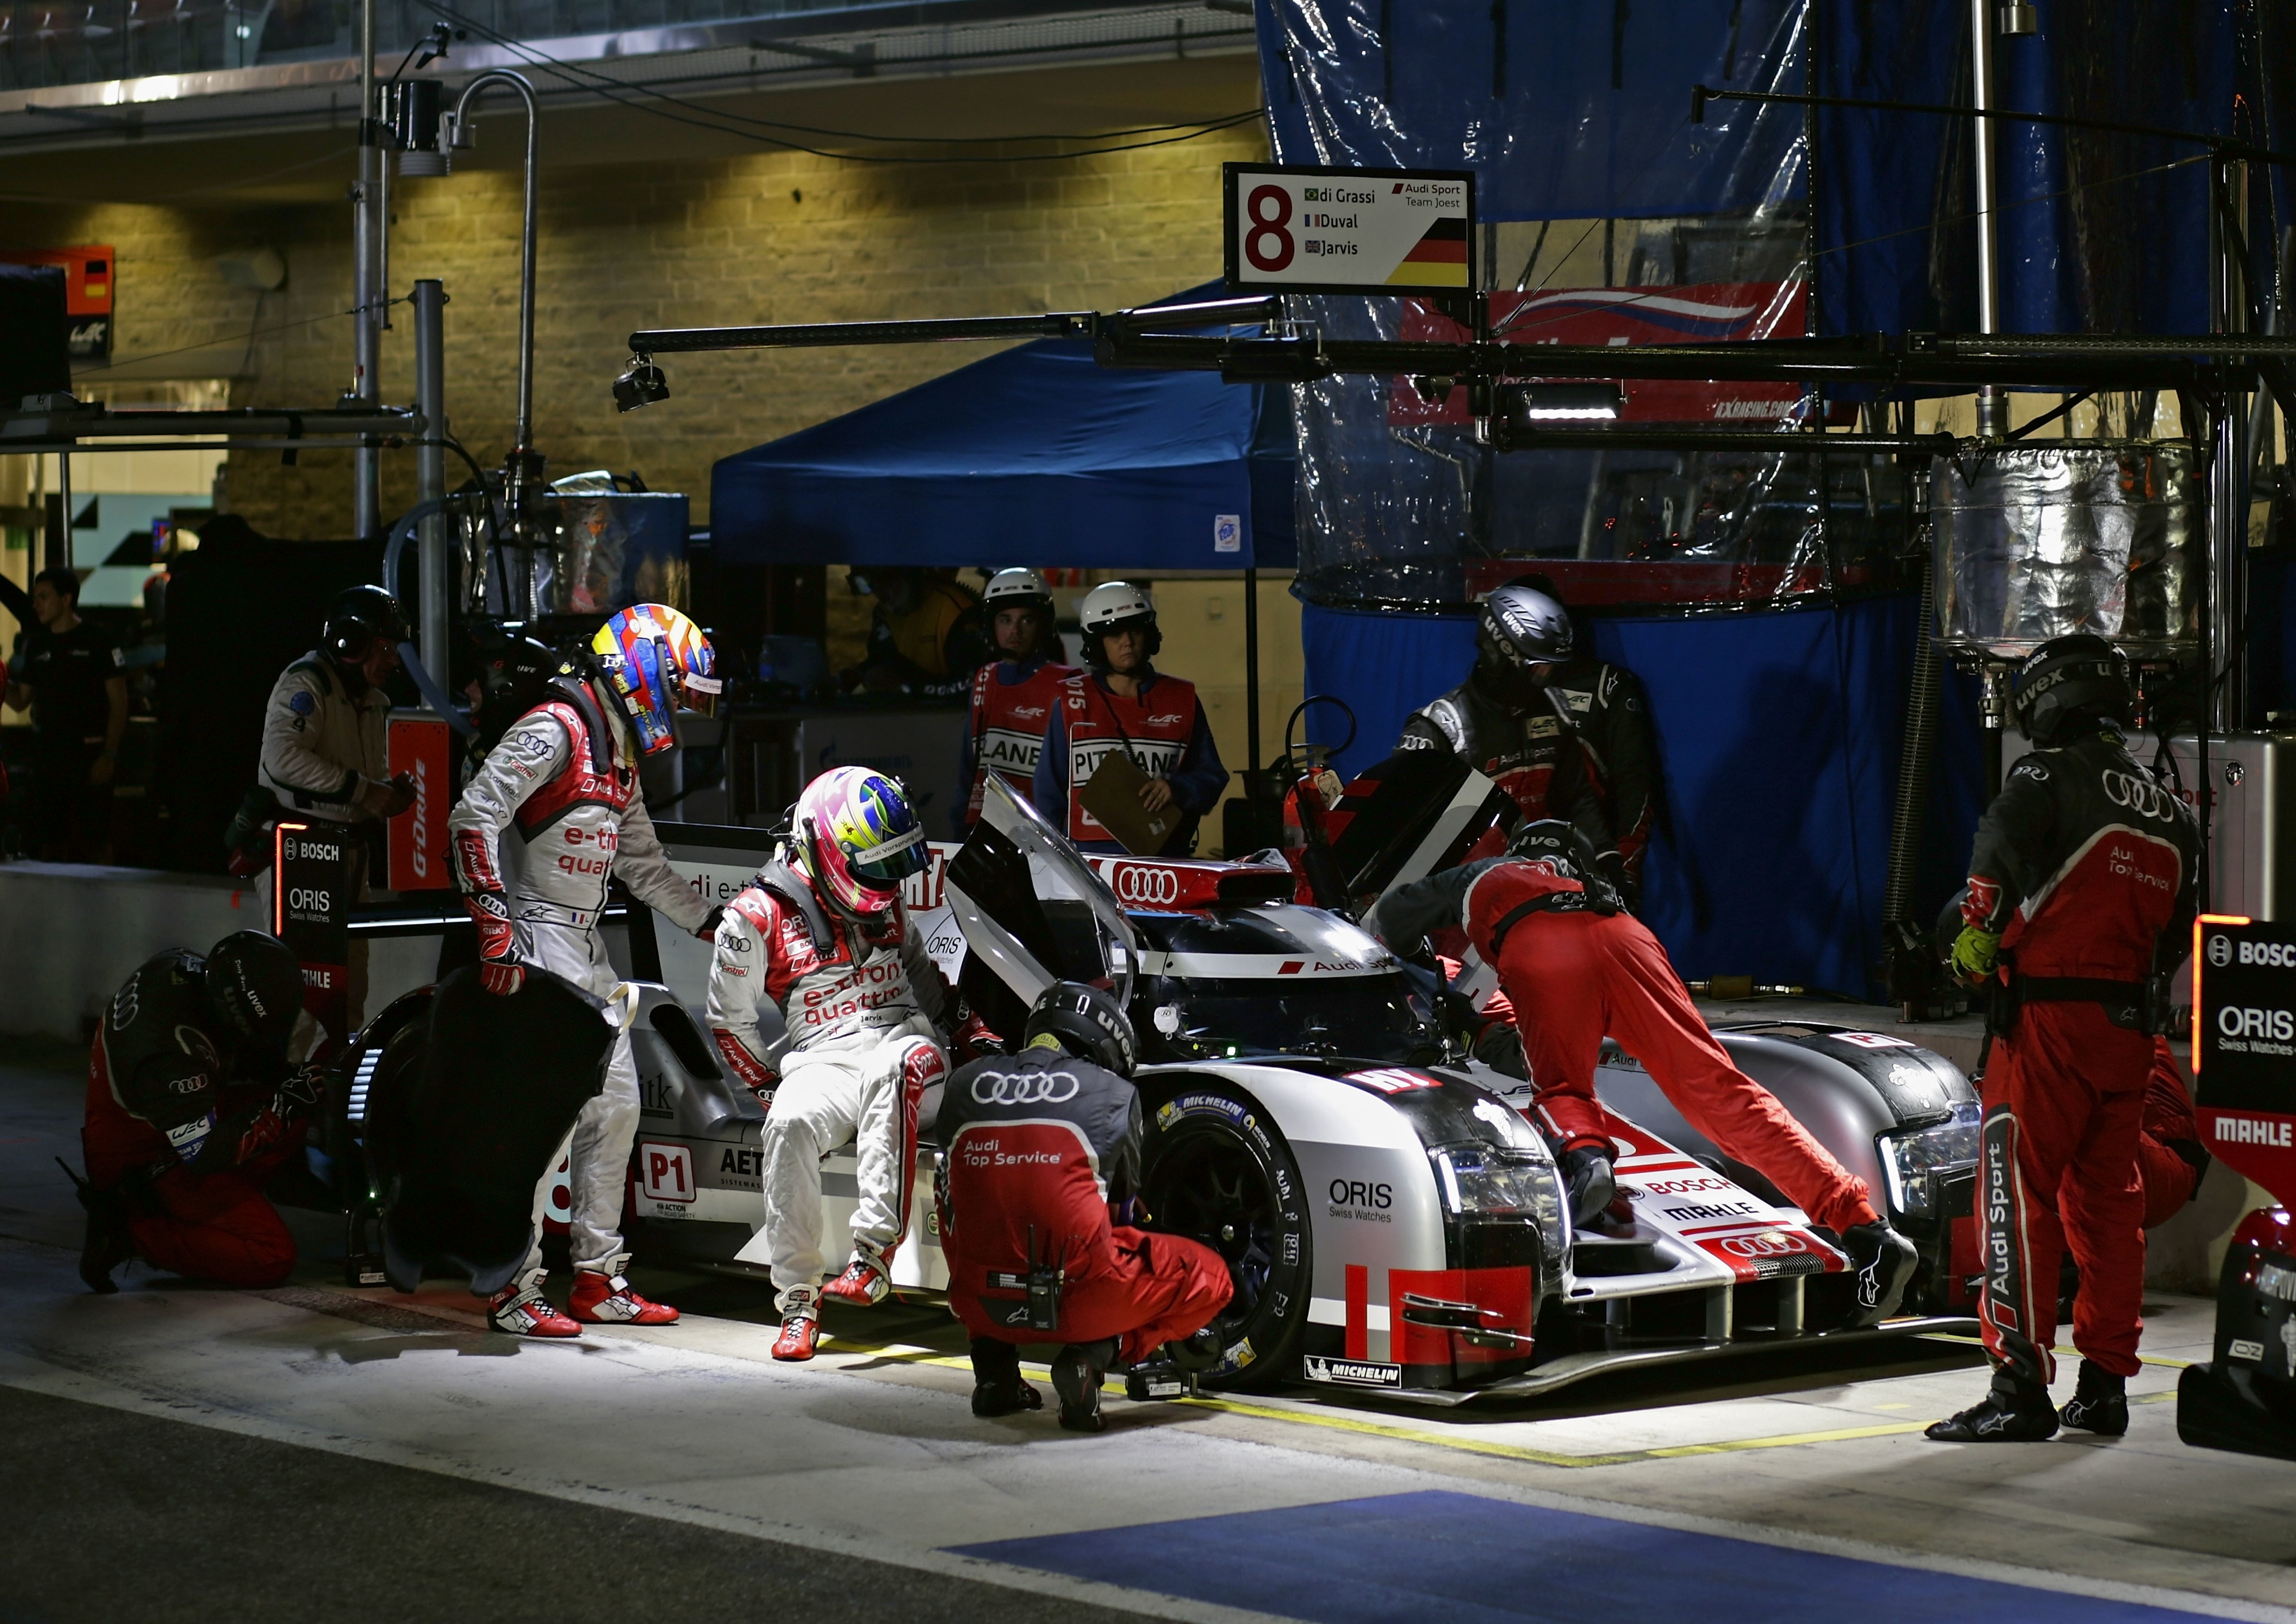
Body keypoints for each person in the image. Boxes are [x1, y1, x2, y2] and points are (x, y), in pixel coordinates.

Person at [1365, 818, 1917, 1326]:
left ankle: (1588, 1162)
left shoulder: (1490, 876)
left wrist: (1432, 982)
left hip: (1541, 948)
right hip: (1631, 942)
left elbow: (1392, 918)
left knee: (1561, 1088)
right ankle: (1863, 1226)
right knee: (1723, 1094)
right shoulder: (1596, 890)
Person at [1929, 635, 2199, 1443]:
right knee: (2109, 1210)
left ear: (2051, 696)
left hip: (2045, 1024)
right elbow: (2177, 935)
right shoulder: (2172, 808)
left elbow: (1997, 845)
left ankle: (2017, 1387)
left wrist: (1975, 933)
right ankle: (2106, 1385)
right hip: (2129, 1032)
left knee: (2017, 1201)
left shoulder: (2048, 774)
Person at [450, 603, 725, 1337]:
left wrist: (713, 923)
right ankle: (513, 1287)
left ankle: (597, 1279)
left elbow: (643, 866)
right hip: (536, 941)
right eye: (675, 687)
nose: (676, 708)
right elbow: (473, 815)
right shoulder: (556, 729)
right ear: (641, 672)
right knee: (545, 1124)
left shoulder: (617, 750)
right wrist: (495, 932)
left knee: (617, 1108)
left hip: (586, 947)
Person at [706, 765, 973, 1361]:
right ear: (827, 847)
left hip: (907, 1042)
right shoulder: (754, 916)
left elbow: (925, 984)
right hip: (823, 1058)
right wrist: (769, 1089)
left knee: (893, 1069)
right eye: (875, 866)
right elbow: (728, 1020)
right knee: (789, 1124)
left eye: (895, 863)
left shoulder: (885, 897)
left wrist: (966, 1030)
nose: (889, 879)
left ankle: (872, 1256)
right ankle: (798, 1300)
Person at [937, 982, 1233, 1432]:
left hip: (978, 1301)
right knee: (1211, 1278)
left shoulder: (963, 1083)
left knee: (966, 1198)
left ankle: (995, 1376)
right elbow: (1122, 1216)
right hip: (1074, 1303)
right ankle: (1091, 1356)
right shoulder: (1113, 1093)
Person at [73, 931, 317, 1293]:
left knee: (294, 1102)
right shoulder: (169, 1056)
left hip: (160, 1121)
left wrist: (289, 1083)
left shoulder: (186, 969)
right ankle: (132, 1232)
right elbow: (203, 1154)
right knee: (272, 1255)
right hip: (140, 1159)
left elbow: (244, 1058)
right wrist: (281, 1105)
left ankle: (221, 1207)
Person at [1396, 581, 1657, 902]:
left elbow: (1576, 800)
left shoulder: (1555, 708)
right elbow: (1402, 841)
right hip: (1464, 903)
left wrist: (1610, 866)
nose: (1547, 678)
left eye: (1553, 669)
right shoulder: (1439, 728)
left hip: (1543, 890)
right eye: (1538, 668)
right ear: (1499, 656)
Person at [257, 585, 417, 1041]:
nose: (393, 660)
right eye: (385, 646)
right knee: (303, 994)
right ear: (352, 641)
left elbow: (356, 776)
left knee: (348, 993)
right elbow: (281, 758)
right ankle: (286, 1102)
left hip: (344, 853)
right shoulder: (306, 685)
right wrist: (366, 792)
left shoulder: (369, 699)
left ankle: (326, 1097)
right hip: (301, 853)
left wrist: (385, 793)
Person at [1033, 581, 1228, 855]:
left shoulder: (1182, 698)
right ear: (1097, 642)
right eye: (1115, 634)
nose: (1127, 642)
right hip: (1090, 862)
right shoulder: (1071, 701)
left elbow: (1213, 777)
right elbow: (1047, 794)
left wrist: (1178, 789)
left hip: (1164, 860)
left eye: (1135, 630)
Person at [4, 565, 127, 862]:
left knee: (96, 838)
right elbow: (21, 700)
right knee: (50, 840)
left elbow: (119, 701)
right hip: (48, 757)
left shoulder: (99, 641)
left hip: (89, 754)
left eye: (44, 597)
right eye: (35, 598)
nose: (37, 605)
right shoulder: (37, 645)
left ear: (66, 599)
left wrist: (109, 754)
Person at [959, 568, 1076, 835]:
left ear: (1043, 625)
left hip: (1042, 830)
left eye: (1027, 621)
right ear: (992, 625)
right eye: (1005, 620)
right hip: (984, 825)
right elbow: (969, 766)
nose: (1015, 630)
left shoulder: (1068, 683)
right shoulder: (985, 677)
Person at [842, 566, 988, 696]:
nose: (880, 593)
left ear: (910, 574)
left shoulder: (956, 614)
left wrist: (907, 687)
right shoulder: (884, 614)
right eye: (868, 584)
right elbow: (882, 660)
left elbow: (973, 686)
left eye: (886, 581)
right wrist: (858, 675)